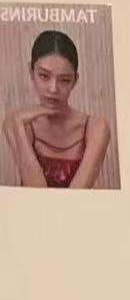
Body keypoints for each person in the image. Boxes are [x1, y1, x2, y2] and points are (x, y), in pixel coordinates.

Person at [2, 29, 112, 188]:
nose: (53, 89)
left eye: (64, 80)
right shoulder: (17, 123)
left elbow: (75, 198)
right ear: (31, 73)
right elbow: (35, 195)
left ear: (75, 80)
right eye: (44, 76)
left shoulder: (96, 127)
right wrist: (18, 126)